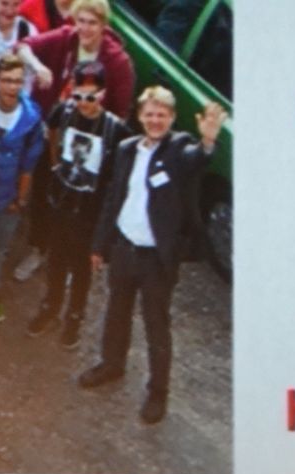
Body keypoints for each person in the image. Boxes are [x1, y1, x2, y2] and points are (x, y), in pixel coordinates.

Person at [79, 88, 225, 425]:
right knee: (116, 312)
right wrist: (100, 244)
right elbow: (114, 198)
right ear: (140, 116)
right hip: (124, 248)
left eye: (162, 115)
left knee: (156, 324)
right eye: (149, 114)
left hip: (157, 258)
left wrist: (207, 142)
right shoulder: (127, 149)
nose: (155, 120)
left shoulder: (179, 149)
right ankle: (112, 364)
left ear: (172, 118)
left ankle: (158, 391)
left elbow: (196, 159)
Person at [25, 59, 123, 348]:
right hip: (62, 203)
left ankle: (75, 317)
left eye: (91, 98)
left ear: (102, 94)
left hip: (89, 212)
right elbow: (52, 131)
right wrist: (56, 164)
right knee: (55, 261)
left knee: (81, 269)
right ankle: (50, 306)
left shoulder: (115, 128)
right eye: (78, 96)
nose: (83, 104)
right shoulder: (64, 112)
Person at [0, 51, 44, 323]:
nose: (12, 87)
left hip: (8, 199)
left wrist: (20, 200)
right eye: (6, 80)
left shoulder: (31, 118)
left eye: (17, 81)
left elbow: (28, 166)